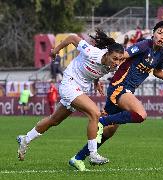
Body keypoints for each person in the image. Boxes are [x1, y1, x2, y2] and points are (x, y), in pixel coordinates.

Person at [69, 21, 163, 171]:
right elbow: (122, 55)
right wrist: (99, 72)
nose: (161, 37)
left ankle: (78, 158)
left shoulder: (161, 53)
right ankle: (101, 121)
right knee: (141, 114)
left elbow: (157, 72)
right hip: (120, 87)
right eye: (159, 32)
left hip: (126, 91)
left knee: (109, 131)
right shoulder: (143, 45)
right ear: (153, 32)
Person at [16, 30, 125, 168]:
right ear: (107, 54)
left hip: (80, 90)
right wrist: (55, 50)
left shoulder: (110, 66)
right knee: (95, 113)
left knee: (54, 120)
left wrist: (96, 82)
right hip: (69, 84)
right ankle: (93, 154)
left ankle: (25, 139)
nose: (117, 62)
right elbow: (72, 38)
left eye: (120, 59)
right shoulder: (92, 52)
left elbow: (97, 70)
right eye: (115, 58)